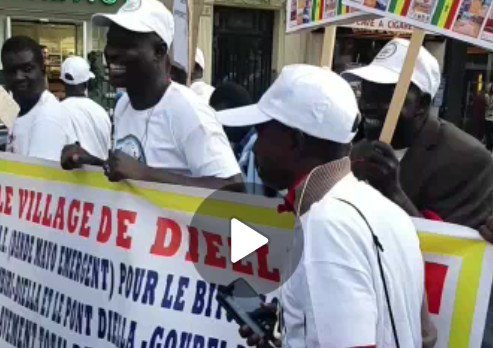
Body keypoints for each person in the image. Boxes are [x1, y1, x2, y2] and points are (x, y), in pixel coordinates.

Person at [218, 64, 425, 347]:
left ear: (296, 141)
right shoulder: (385, 210)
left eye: (262, 131)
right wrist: (292, 327)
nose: (255, 146)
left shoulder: (325, 226)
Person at [61, 0, 242, 190]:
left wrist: (145, 174)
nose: (111, 52)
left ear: (159, 51)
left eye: (126, 44)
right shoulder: (124, 106)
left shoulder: (188, 111)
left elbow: (234, 188)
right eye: (111, 42)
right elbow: (128, 173)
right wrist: (89, 161)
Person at [344, 38, 493, 230]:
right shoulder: (358, 152)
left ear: (421, 105)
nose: (367, 105)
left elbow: (450, 248)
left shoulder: (469, 160)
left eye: (386, 95)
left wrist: (393, 193)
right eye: (367, 91)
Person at [2, 36, 76, 161]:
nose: (19, 77)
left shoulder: (47, 118)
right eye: (11, 70)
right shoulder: (25, 108)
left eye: (27, 69)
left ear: (42, 69)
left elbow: (36, 179)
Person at [60, 56, 111, 160]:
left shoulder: (56, 112)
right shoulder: (100, 112)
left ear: (62, 82)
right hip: (101, 175)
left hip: (67, 176)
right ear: (87, 82)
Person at [485, 83, 493, 151]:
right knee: (488, 133)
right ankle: (489, 146)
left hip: (490, 117)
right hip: (488, 117)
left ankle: (490, 146)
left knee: (490, 133)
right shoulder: (486, 96)